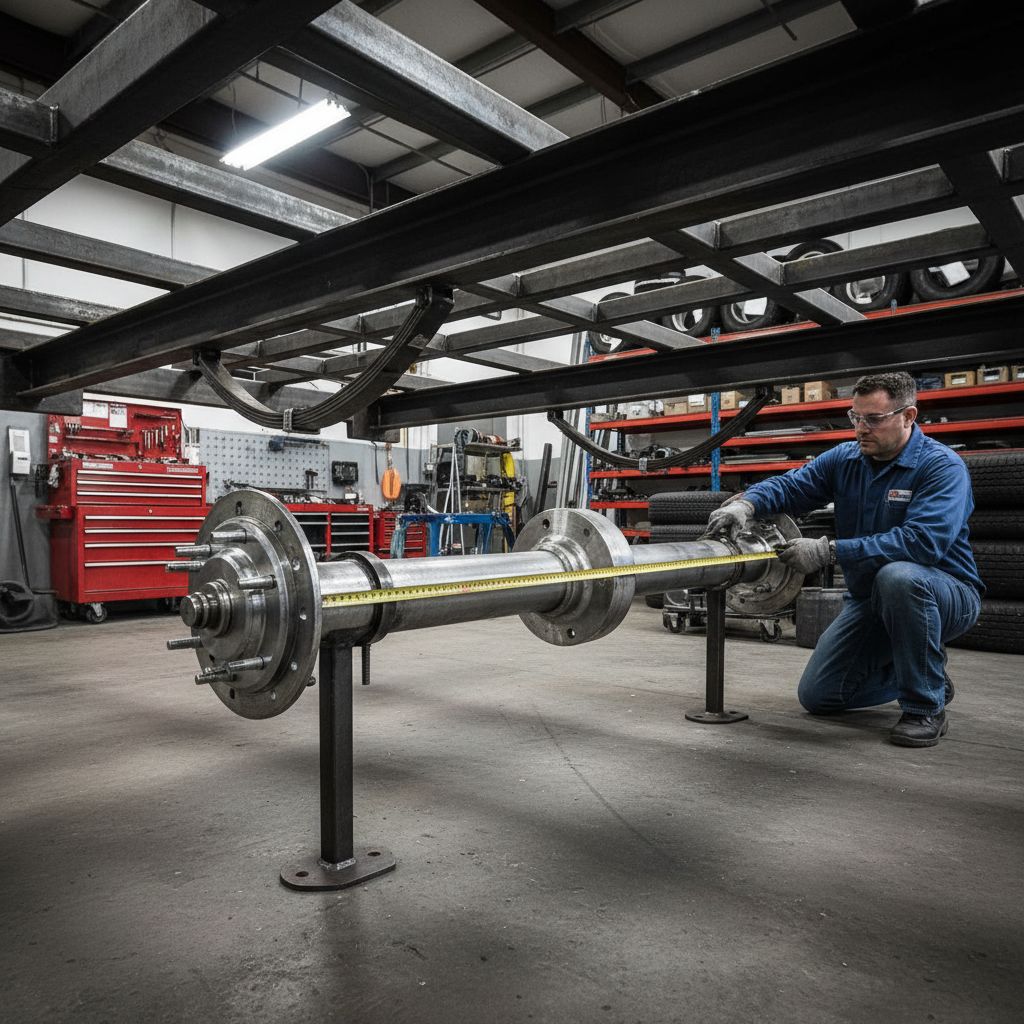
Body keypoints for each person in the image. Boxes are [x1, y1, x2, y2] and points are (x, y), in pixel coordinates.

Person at [706, 371, 982, 747]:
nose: (861, 428)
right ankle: (921, 670)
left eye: (874, 419)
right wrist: (748, 503)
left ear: (908, 416)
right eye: (855, 417)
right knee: (820, 696)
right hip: (869, 600)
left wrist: (828, 551)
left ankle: (924, 705)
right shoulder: (846, 458)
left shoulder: (941, 467)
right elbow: (793, 485)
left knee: (899, 576)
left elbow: (922, 543)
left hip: (944, 594)